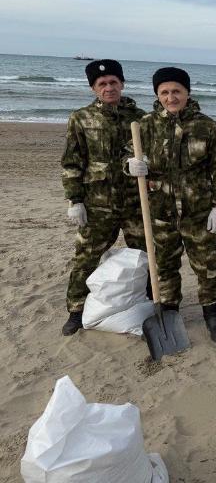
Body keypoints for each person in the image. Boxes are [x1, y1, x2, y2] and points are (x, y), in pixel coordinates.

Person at [125, 67, 216, 341]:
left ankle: (213, 315)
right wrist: (130, 166)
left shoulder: (206, 126)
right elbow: (127, 160)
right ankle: (170, 313)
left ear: (187, 93)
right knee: (163, 267)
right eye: (164, 92)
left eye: (176, 91)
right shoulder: (145, 125)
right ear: (157, 95)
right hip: (161, 212)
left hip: (198, 213)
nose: (171, 97)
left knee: (209, 266)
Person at [60, 59, 146, 336]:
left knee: (145, 255)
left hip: (135, 202)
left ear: (122, 84)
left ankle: (147, 303)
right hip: (98, 205)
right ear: (93, 88)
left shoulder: (141, 117)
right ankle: (76, 309)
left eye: (113, 82)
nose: (108, 88)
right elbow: (72, 162)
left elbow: (153, 156)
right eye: (102, 84)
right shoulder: (81, 118)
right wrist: (75, 200)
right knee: (85, 256)